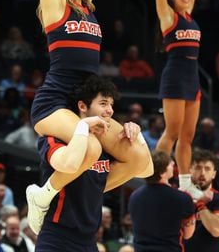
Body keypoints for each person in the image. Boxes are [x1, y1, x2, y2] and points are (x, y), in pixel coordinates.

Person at [26, 0, 152, 233]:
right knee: (92, 148)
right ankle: (43, 194)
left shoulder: (88, 8)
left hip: (84, 103)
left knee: (141, 159)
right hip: (54, 104)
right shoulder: (55, 5)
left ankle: (81, 186)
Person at [34, 75, 148, 252]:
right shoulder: (54, 138)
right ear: (82, 106)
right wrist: (83, 127)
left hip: (89, 240)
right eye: (103, 103)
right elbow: (69, 163)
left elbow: (146, 169)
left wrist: (137, 137)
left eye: (111, 104)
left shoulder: (108, 148)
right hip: (57, 238)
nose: (110, 110)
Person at [146, 0, 205, 198]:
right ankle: (156, 174)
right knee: (172, 131)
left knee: (188, 136)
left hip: (192, 76)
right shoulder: (168, 16)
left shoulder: (190, 15)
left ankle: (185, 182)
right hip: (175, 74)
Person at [129, 150, 196, 252]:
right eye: (169, 163)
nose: (173, 163)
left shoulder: (134, 196)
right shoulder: (182, 198)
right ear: (162, 172)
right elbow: (188, 234)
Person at [184, 148, 219, 252]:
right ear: (190, 170)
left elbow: (216, 230)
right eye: (198, 168)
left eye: (207, 169)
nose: (202, 173)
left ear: (214, 174)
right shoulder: (181, 196)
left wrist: (200, 204)